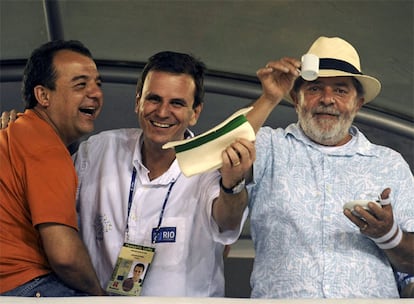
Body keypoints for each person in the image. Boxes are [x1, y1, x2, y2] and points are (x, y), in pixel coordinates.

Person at [74, 51, 255, 296]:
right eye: (154, 99)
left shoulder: (210, 167)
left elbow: (227, 222)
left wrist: (232, 185)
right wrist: (25, 127)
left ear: (195, 113)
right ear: (137, 101)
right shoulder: (97, 151)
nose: (162, 112)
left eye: (177, 103)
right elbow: (43, 195)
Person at [244, 36, 414, 298]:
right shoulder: (269, 146)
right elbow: (218, 154)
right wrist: (268, 98)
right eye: (314, 89)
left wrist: (388, 235)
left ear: (358, 103)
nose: (327, 99)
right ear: (295, 98)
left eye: (340, 90)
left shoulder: (390, 164)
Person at [0, 40, 105, 296]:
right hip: (24, 286)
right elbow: (65, 256)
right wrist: (100, 297)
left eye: (97, 84)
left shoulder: (15, 134)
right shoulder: (45, 145)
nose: (95, 93)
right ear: (43, 95)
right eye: (80, 84)